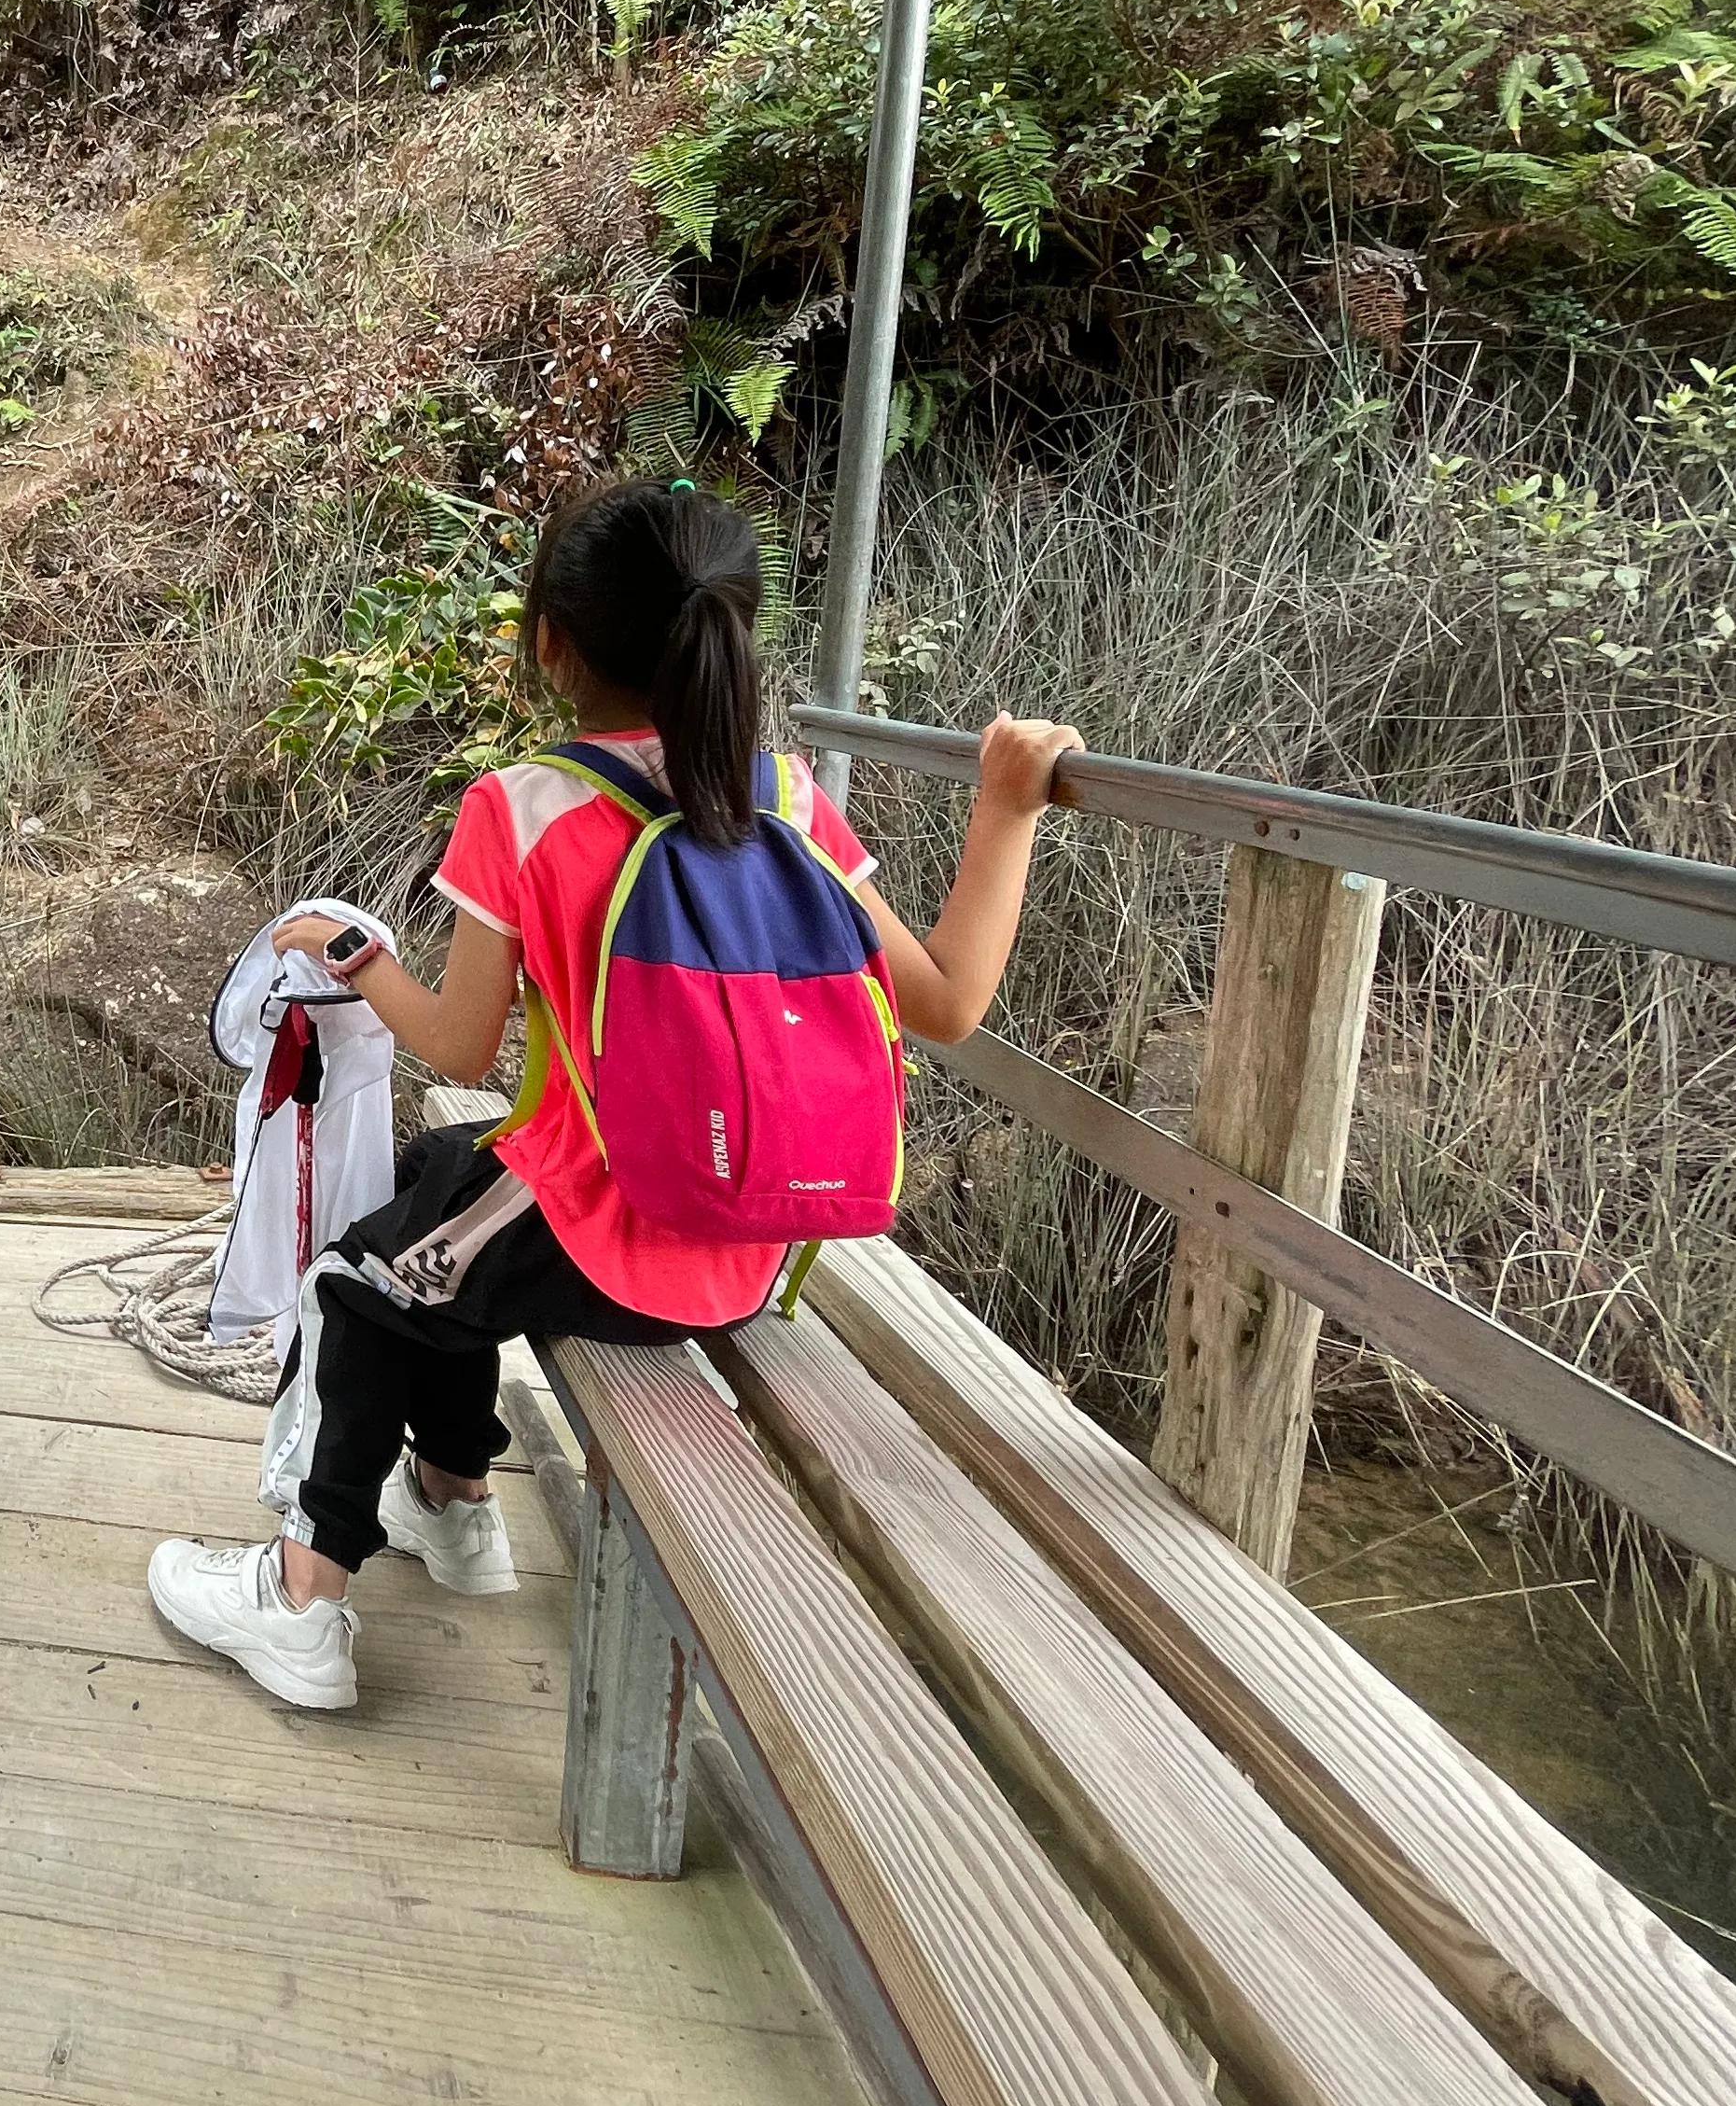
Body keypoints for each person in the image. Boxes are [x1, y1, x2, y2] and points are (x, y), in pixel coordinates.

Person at [146, 479, 1082, 1709]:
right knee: (440, 1181)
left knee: (359, 1285)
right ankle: (452, 1497)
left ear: (550, 641)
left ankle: (303, 1601)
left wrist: (354, 955)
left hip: (616, 1244)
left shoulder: (526, 805)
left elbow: (463, 1047)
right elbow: (950, 1001)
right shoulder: (786, 798)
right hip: (750, 1250)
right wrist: (1005, 807)